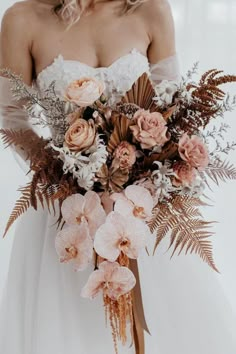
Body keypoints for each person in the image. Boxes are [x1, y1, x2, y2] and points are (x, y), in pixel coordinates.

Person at [0, 1, 235, 354]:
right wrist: (72, 174)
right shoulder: (23, 18)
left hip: (142, 208)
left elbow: (169, 111)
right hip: (67, 214)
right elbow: (11, 117)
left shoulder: (151, 11)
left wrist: (138, 177)